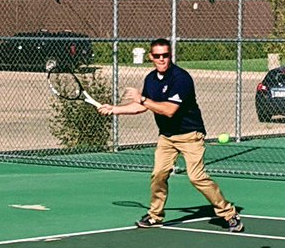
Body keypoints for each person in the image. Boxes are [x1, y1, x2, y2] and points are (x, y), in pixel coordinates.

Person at [99, 38, 243, 231]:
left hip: (190, 135)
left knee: (196, 177)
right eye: (157, 56)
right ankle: (154, 216)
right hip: (166, 137)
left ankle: (228, 213)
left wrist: (142, 98)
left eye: (165, 55)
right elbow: (141, 106)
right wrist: (114, 109)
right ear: (151, 57)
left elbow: (168, 110)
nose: (162, 59)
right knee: (158, 174)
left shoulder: (181, 78)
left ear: (170, 55)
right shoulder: (150, 79)